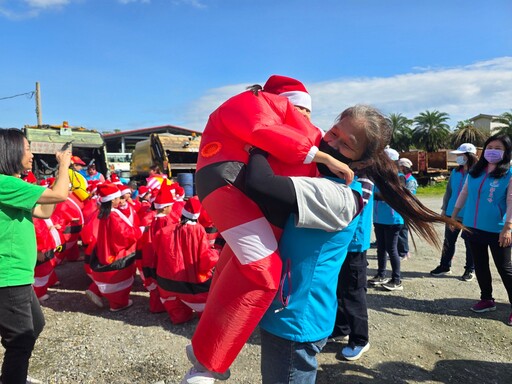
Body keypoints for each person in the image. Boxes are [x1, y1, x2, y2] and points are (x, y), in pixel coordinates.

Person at [244, 105, 462, 384]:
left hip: (296, 315)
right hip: (292, 306)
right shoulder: (322, 179)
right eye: (334, 132)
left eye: (347, 145)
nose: (331, 142)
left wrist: (258, 144)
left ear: (360, 163)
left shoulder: (337, 193)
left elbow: (259, 183)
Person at [181, 75, 354, 383]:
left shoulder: (345, 191)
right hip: (229, 183)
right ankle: (207, 365)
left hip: (300, 310)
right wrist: (319, 155)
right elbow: (265, 150)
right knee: (261, 273)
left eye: (308, 112)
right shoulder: (261, 112)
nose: (303, 118)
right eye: (296, 109)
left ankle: (204, 356)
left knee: (239, 269)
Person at [0, 128, 71, 384]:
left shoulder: (11, 184)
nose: (31, 154)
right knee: (20, 340)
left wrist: (53, 180)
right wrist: (64, 165)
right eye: (27, 148)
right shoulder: (4, 182)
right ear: (11, 151)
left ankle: (13, 374)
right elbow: (61, 195)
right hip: (8, 277)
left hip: (17, 275)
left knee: (34, 325)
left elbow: (45, 211)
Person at [450, 134, 512, 325]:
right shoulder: (475, 172)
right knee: (481, 264)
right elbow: (464, 193)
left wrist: (508, 227)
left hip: (498, 229)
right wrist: (453, 217)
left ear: (507, 152)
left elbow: (511, 201)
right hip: (472, 227)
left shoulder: (509, 173)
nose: (492, 151)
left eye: (498, 148)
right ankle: (487, 299)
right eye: (490, 147)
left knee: (505, 268)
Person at [155, 196, 219, 324]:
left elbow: (157, 250)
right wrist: (216, 255)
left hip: (166, 280)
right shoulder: (198, 230)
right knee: (205, 302)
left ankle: (180, 317)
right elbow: (205, 257)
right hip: (190, 281)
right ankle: (204, 317)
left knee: (175, 306)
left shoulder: (165, 231)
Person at [330, 174, 374, 361]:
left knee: (353, 293)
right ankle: (342, 329)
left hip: (354, 245)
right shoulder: (350, 176)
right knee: (340, 290)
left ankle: (360, 340)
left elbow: (352, 207)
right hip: (342, 244)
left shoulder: (365, 181)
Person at [89, 183, 143, 312]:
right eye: (118, 198)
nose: (120, 200)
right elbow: (124, 234)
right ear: (112, 200)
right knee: (121, 272)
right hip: (115, 250)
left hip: (105, 248)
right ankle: (118, 303)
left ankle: (96, 290)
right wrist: (140, 231)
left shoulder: (104, 213)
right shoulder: (113, 216)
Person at [430, 143, 478, 280]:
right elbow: (449, 192)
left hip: (469, 215)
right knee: (448, 241)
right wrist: (444, 209)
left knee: (470, 244)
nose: (458, 158)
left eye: (460, 155)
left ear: (469, 156)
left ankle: (470, 269)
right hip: (452, 213)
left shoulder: (477, 173)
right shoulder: (455, 172)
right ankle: (445, 266)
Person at [369, 150, 406, 291]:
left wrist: (378, 196)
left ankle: (397, 280)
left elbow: (393, 195)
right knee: (381, 249)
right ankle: (381, 275)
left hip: (393, 219)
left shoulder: (399, 177)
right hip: (379, 218)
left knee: (392, 249)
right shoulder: (378, 177)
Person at [397, 157, 417, 260]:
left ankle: (404, 252)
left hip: (406, 207)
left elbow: (409, 195)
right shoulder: (402, 178)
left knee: (403, 230)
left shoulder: (411, 180)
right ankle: (402, 250)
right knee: (400, 229)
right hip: (401, 206)